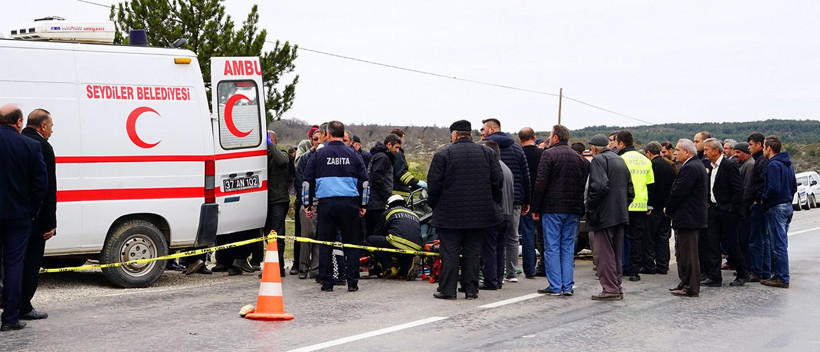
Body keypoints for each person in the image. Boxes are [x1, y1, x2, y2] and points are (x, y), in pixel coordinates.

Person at [427, 120, 502, 300]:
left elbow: (433, 186)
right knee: (473, 252)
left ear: (454, 134)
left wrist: (435, 205)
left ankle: (448, 290)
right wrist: (491, 202)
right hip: (479, 214)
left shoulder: (443, 154)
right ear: (470, 134)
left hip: (449, 214)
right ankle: (471, 289)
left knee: (450, 253)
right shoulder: (487, 153)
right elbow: (497, 181)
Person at [304, 121, 369, 292]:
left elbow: (307, 182)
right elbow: (364, 182)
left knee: (326, 243)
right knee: (351, 244)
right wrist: (363, 204)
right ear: (342, 134)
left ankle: (327, 283)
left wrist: (307, 205)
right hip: (350, 204)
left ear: (328, 134)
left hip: (327, 204)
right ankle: (352, 283)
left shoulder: (318, 154)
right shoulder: (354, 154)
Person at [0, 104, 48, 331]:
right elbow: (41, 185)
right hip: (18, 217)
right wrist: (32, 212)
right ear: (19, 122)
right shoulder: (31, 146)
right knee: (14, 266)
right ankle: (10, 318)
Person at [531, 125, 589, 296]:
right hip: (573, 208)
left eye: (550, 135)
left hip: (552, 208)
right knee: (568, 247)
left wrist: (535, 207)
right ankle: (567, 286)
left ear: (555, 137)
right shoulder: (579, 158)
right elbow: (583, 185)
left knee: (552, 247)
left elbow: (541, 183)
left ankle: (556, 285)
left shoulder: (548, 154)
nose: (549, 138)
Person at [481, 118, 530, 283]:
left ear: (491, 129)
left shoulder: (484, 147)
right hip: (514, 198)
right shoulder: (516, 147)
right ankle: (512, 273)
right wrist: (526, 200)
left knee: (493, 238)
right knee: (512, 236)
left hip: (493, 201)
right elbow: (525, 175)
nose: (482, 132)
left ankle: (495, 273)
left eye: (483, 129)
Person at [586, 134, 634, 300]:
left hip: (604, 215)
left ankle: (610, 289)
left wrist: (591, 206)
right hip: (620, 214)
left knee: (604, 254)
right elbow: (630, 190)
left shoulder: (599, 160)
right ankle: (616, 286)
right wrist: (622, 206)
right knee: (616, 253)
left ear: (594, 148)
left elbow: (599, 186)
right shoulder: (620, 160)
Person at [19, 109, 56, 320]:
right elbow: (47, 188)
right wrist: (50, 222)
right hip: (36, 218)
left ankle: (11, 303)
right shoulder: (42, 146)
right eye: (51, 126)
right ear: (43, 125)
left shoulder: (16, 141)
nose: (51, 130)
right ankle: (24, 305)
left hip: (14, 216)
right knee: (31, 264)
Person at [701, 138, 748, 287]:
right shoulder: (709, 166)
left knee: (731, 244)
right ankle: (715, 277)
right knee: (712, 243)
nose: (704, 152)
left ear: (716, 150)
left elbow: (738, 189)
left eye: (707, 149)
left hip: (728, 212)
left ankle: (742, 274)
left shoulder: (729, 165)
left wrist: (731, 208)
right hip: (713, 210)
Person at [665, 139, 708, 297]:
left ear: (687, 152)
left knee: (689, 254)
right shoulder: (694, 165)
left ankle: (691, 287)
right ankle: (684, 282)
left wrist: (669, 209)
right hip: (689, 217)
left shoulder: (690, 167)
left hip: (689, 217)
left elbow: (678, 192)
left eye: (678, 150)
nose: (675, 153)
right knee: (683, 253)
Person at [615, 130, 654, 282]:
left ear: (621, 143)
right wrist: (648, 204)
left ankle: (622, 267)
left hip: (624, 205)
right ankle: (635, 271)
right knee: (637, 239)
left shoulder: (620, 159)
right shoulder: (645, 160)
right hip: (641, 205)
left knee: (621, 238)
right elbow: (650, 185)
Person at [760, 136, 796, 289]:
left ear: (769, 148)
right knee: (781, 243)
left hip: (776, 207)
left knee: (778, 244)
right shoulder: (788, 164)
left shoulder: (773, 165)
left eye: (764, 147)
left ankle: (782, 277)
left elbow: (773, 187)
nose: (763, 150)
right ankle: (778, 274)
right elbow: (794, 186)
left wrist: (764, 199)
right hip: (787, 205)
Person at [478, 139, 512, 290]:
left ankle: (490, 280)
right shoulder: (507, 168)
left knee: (489, 248)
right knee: (500, 248)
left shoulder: (492, 168)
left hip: (494, 214)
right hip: (507, 213)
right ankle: (498, 279)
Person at [365, 195, 423, 279]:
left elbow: (379, 233)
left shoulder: (389, 212)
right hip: (416, 247)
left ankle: (388, 268)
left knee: (370, 241)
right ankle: (407, 266)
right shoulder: (414, 214)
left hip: (397, 242)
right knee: (402, 269)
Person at [642, 141, 676, 275]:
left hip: (654, 207)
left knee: (649, 237)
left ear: (648, 153)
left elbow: (650, 187)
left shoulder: (651, 166)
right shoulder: (669, 165)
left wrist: (648, 204)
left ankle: (649, 265)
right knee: (663, 238)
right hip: (666, 207)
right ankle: (663, 265)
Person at [518, 127, 544, 278]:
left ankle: (530, 269)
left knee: (527, 235)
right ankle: (546, 265)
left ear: (520, 140)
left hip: (525, 200)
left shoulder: (519, 154)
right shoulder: (543, 154)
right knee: (544, 235)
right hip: (542, 200)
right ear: (534, 138)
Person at [265, 130, 291, 276]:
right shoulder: (263, 157)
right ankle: (272, 264)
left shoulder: (282, 154)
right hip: (266, 202)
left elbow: (282, 161)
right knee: (267, 236)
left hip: (279, 201)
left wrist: (269, 145)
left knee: (277, 235)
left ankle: (279, 267)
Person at [744, 133, 770, 282]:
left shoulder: (762, 161)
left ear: (759, 145)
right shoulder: (758, 160)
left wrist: (756, 199)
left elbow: (762, 183)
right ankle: (763, 270)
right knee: (761, 238)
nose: (749, 147)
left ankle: (758, 271)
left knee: (758, 239)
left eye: (751, 145)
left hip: (758, 205)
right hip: (758, 204)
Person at [365, 134, 401, 238]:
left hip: (374, 200)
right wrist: (387, 195)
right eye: (396, 147)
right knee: (376, 231)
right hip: (377, 202)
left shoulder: (379, 156)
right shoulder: (383, 157)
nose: (397, 151)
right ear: (389, 144)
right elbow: (377, 178)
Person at [733, 141, 755, 272]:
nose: (735, 155)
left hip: (746, 209)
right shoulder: (743, 165)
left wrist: (743, 208)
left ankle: (748, 267)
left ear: (746, 154)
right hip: (743, 208)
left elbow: (746, 188)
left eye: (738, 152)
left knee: (746, 239)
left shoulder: (750, 165)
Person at [390, 128, 427, 192]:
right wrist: (415, 182)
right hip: (398, 190)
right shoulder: (398, 154)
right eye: (402, 139)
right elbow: (402, 173)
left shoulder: (387, 153)